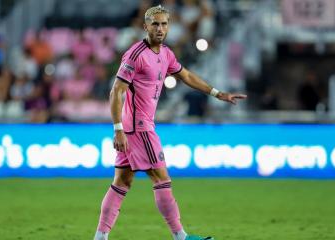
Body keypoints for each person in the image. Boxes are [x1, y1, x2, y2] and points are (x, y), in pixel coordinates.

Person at [94, 5, 247, 240]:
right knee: (161, 178)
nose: (160, 28)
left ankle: (100, 237)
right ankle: (181, 237)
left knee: (122, 182)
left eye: (164, 24)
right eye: (155, 24)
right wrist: (118, 130)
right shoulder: (135, 55)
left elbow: (185, 76)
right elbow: (117, 91)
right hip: (138, 127)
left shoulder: (165, 53)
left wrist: (218, 93)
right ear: (145, 26)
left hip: (138, 126)